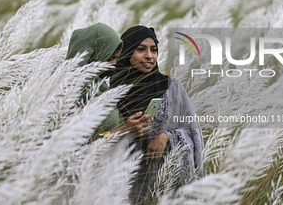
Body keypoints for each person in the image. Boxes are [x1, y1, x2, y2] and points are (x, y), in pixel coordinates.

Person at [111, 25, 205, 205]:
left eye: (154, 50)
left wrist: (166, 136)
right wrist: (126, 130)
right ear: (126, 51)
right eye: (141, 49)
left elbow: (192, 130)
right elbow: (97, 139)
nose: (149, 56)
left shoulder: (170, 88)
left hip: (160, 185)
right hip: (117, 185)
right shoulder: (110, 91)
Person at [65, 22, 151, 141]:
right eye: (110, 58)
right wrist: (124, 131)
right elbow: (77, 143)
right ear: (92, 55)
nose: (115, 64)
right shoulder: (72, 92)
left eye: (117, 58)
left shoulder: (99, 85)